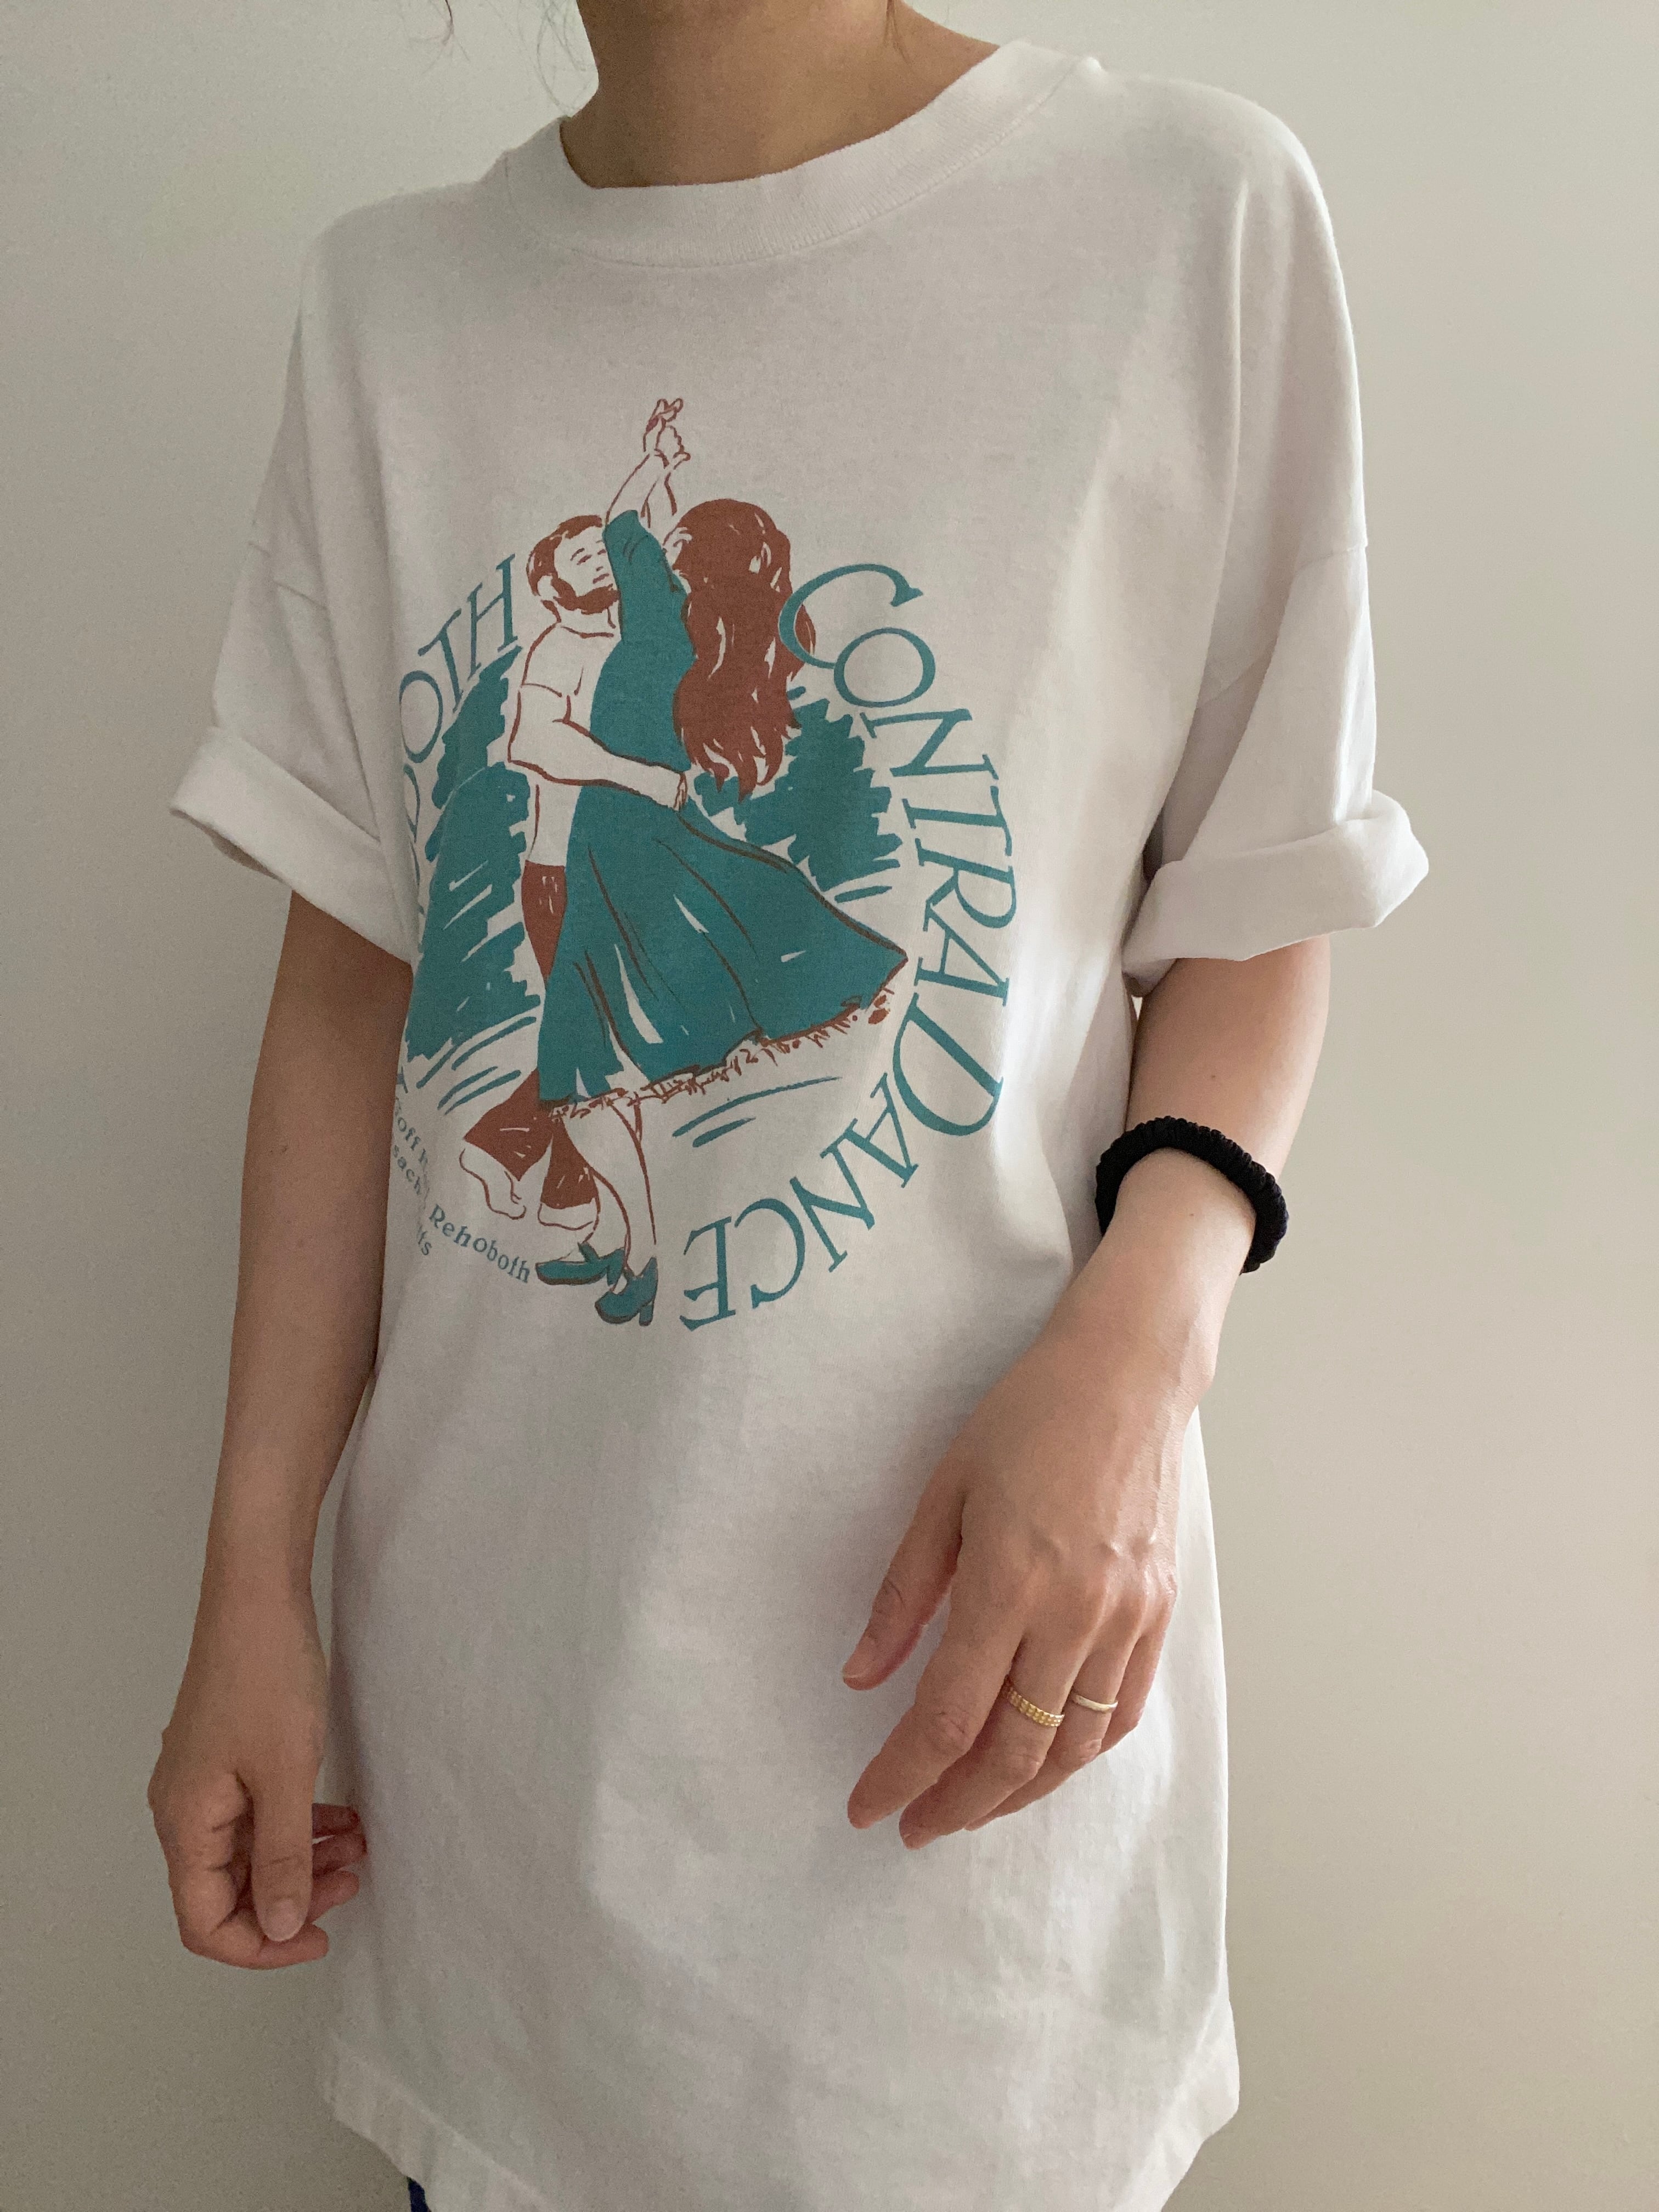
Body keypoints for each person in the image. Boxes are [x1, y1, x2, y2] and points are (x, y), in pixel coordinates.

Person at [151, 9, 1428, 2212]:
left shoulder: (1183, 218)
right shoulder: (393, 309)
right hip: (498, 1780)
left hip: (963, 1764)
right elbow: (352, 990)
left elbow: (1259, 900)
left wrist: (1141, 1361)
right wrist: (252, 1581)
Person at [531, 402, 908, 1325]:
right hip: (646, 844)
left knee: (582, 1073)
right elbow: (640, 528)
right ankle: (617, 1241)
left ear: (681, 565)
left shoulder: (653, 619)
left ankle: (638, 1259)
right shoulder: (710, 644)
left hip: (613, 851)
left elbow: (622, 522)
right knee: (602, 1061)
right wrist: (664, 474)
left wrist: (653, 460)